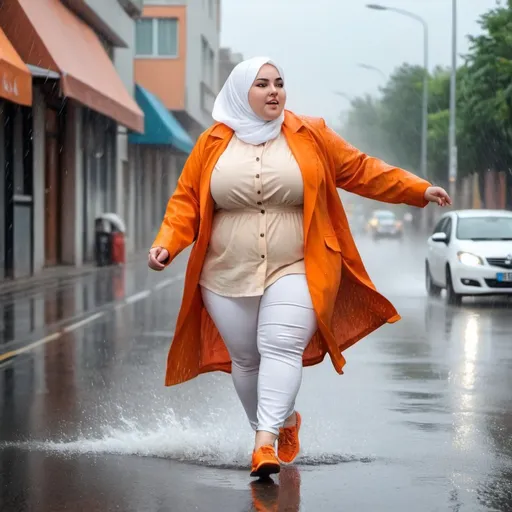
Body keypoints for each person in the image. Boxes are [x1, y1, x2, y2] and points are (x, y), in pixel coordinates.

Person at [148, 57, 451, 479]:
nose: (274, 91)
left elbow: (362, 170)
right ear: (240, 92)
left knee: (281, 344)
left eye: (279, 83)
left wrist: (417, 189)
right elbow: (185, 202)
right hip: (224, 272)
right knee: (246, 360)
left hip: (298, 265)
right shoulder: (212, 143)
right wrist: (166, 244)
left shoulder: (310, 134)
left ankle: (264, 442)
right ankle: (284, 421)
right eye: (262, 84)